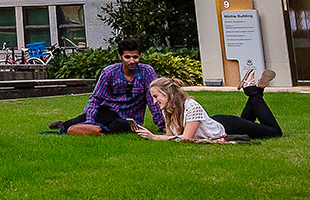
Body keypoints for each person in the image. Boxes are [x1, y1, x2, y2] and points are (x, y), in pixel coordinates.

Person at [47, 39, 164, 135]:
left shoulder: (147, 72)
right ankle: (67, 125)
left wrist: (162, 125)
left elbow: (153, 100)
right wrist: (89, 121)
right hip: (108, 111)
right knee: (72, 124)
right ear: (120, 57)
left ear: (140, 56)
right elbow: (96, 99)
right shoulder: (109, 72)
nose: (132, 61)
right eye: (127, 57)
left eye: (135, 57)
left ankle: (95, 130)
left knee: (118, 126)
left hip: (130, 118)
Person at [139, 70, 283, 142]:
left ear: (167, 94)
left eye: (156, 96)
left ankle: (252, 90)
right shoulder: (168, 110)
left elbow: (186, 139)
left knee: (274, 132)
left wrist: (153, 137)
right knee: (250, 120)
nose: (154, 101)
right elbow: (170, 136)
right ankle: (253, 89)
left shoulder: (190, 106)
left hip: (229, 126)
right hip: (215, 123)